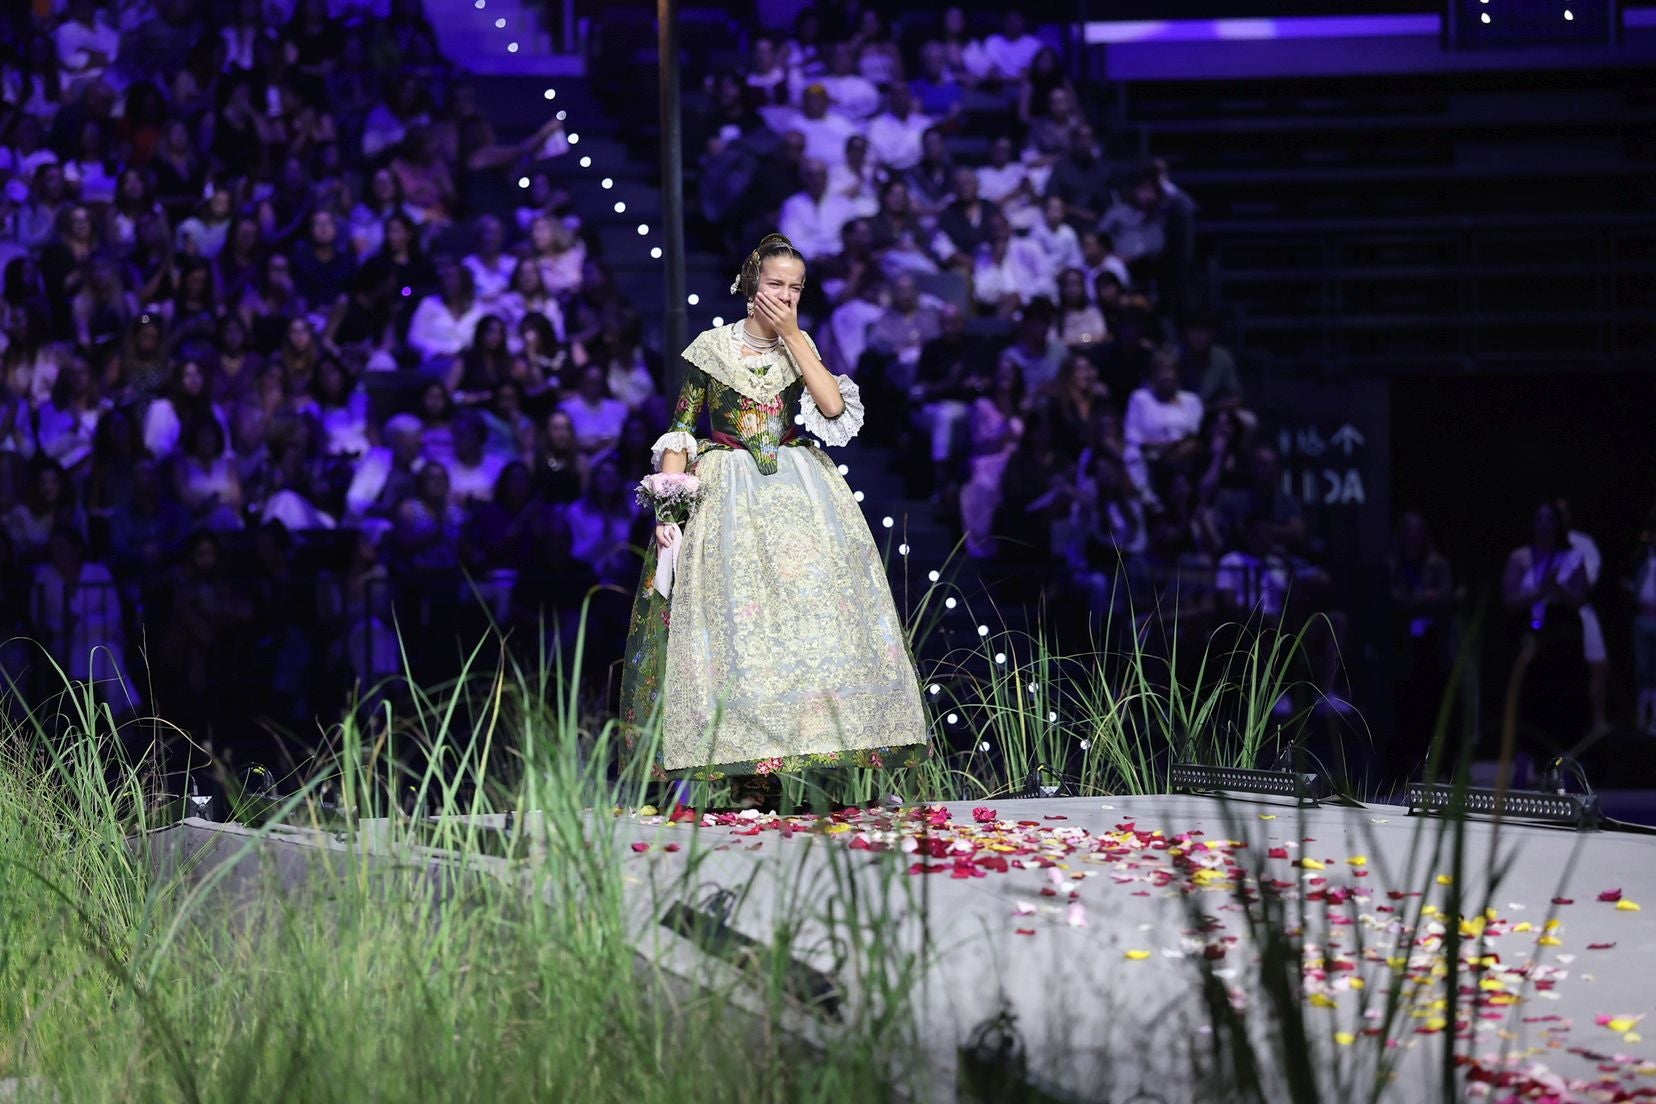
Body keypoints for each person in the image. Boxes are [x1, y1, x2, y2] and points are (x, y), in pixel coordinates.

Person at [618, 233, 926, 798]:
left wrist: (792, 337)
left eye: (795, 288)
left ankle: (830, 764)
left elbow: (832, 408)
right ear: (749, 285)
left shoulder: (799, 342)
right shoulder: (711, 348)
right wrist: (669, 504)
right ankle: (748, 777)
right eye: (774, 285)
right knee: (740, 627)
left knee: (817, 622)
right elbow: (682, 428)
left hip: (799, 493)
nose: (784, 296)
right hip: (728, 492)